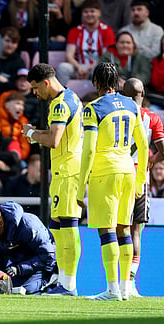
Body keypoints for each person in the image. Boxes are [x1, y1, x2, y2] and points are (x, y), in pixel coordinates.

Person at [76, 62, 148, 301]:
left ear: (96, 83)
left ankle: (111, 289)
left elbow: (88, 151)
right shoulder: (131, 105)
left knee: (106, 231)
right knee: (124, 229)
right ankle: (127, 288)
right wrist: (140, 180)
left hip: (104, 172)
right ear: (117, 82)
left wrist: (80, 183)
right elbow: (144, 145)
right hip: (128, 169)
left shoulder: (93, 108)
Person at [23, 63, 83, 296]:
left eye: (36, 88)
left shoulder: (58, 104)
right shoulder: (72, 97)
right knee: (59, 229)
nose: (35, 93)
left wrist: (30, 134)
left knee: (68, 228)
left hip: (67, 171)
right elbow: (54, 134)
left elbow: (54, 140)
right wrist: (35, 133)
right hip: (66, 170)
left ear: (46, 83)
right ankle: (62, 281)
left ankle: (69, 285)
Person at [123, 78, 164, 297]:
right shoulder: (152, 117)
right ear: (143, 93)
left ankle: (116, 282)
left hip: (116, 176)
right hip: (140, 177)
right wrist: (150, 162)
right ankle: (130, 284)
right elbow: (163, 150)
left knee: (116, 229)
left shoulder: (115, 114)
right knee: (135, 231)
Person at [0, 202, 57, 295]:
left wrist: (19, 268)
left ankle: (53, 278)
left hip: (45, 266)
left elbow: (48, 255)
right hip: (21, 267)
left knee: (21, 290)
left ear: (0, 223)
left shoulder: (28, 226)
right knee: (1, 287)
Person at [56, 0, 115, 86]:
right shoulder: (74, 31)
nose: (89, 14)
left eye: (92, 11)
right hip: (78, 66)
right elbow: (69, 56)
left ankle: (101, 97)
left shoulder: (107, 31)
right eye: (86, 12)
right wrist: (79, 67)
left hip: (96, 66)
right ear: (82, 14)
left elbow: (104, 57)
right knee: (63, 68)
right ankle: (62, 96)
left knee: (103, 68)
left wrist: (88, 68)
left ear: (99, 13)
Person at [0, 92, 31, 161]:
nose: (21, 108)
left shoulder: (24, 122)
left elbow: (25, 144)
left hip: (17, 158)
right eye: (17, 103)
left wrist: (19, 158)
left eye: (22, 105)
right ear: (6, 105)